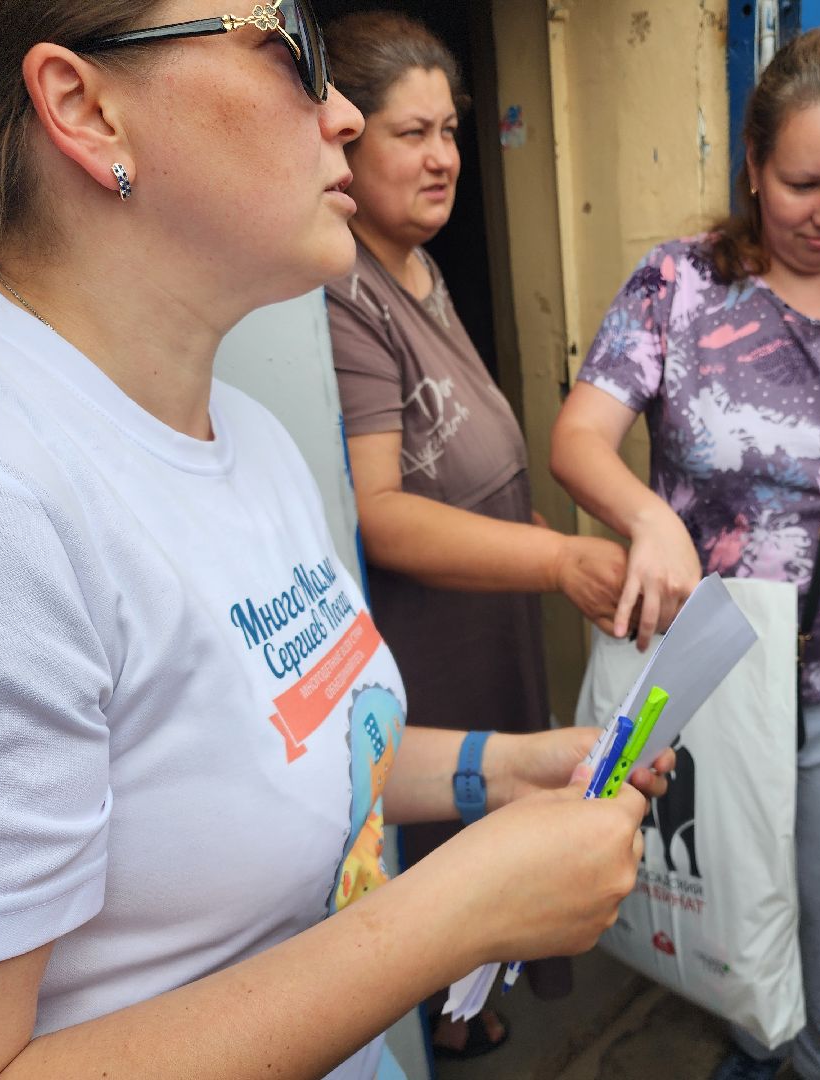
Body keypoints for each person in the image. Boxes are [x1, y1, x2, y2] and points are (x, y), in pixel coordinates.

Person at [0, 3, 672, 1078]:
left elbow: (301, 747)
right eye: (291, 45)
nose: (342, 113)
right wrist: (455, 914)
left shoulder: (244, 431)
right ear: (85, 108)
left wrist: (506, 770)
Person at [550, 26, 820, 1080]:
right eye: (801, 184)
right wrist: (648, 519)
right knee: (729, 891)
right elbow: (578, 440)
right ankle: (753, 1039)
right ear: (752, 165)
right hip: (712, 667)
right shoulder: (679, 285)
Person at [319, 12, 626, 1058]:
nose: (443, 157)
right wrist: (560, 558)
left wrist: (533, 533)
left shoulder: (418, 266)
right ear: (345, 138)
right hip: (431, 640)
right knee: (448, 826)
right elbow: (382, 510)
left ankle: (469, 995)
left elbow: (462, 459)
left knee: (503, 801)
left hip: (488, 617)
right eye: (411, 134)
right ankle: (441, 1017)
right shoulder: (345, 293)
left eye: (449, 130)